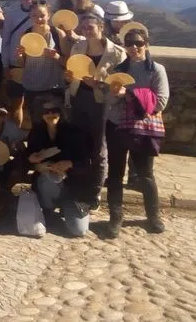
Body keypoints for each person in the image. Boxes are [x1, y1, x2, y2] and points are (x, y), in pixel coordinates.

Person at [104, 28, 169, 237]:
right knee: (115, 173)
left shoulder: (156, 70)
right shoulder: (118, 70)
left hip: (143, 128)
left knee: (146, 174)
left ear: (146, 44)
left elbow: (160, 102)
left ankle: (153, 216)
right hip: (117, 126)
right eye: (129, 43)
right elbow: (110, 101)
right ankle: (115, 217)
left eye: (138, 43)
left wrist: (129, 94)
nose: (134, 47)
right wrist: (115, 94)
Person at [66, 14, 126, 208]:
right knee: (79, 144)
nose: (86, 30)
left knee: (99, 149)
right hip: (78, 99)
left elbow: (119, 85)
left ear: (101, 28)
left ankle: (95, 193)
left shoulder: (116, 53)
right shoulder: (77, 48)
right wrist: (68, 76)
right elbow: (72, 75)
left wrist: (97, 85)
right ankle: (77, 186)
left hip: (101, 103)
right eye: (83, 27)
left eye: (90, 27)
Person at [26, 96, 95, 237]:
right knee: (47, 181)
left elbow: (88, 165)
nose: (50, 115)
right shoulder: (36, 133)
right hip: (48, 185)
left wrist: (70, 164)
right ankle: (48, 211)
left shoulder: (75, 133)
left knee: (79, 230)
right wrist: (34, 163)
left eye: (54, 111)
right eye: (46, 111)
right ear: (41, 114)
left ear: (61, 112)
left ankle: (68, 210)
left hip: (73, 188)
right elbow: (25, 158)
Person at [12, 1, 65, 126]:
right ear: (30, 16)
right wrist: (19, 56)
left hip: (54, 88)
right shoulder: (25, 35)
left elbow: (67, 62)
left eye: (42, 15)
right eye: (35, 15)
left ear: (49, 15)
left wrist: (56, 56)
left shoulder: (57, 34)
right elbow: (22, 63)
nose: (39, 19)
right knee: (37, 124)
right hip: (32, 87)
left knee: (55, 125)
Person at [0, 0, 40, 126]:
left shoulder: (43, 13)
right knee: (16, 105)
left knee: (36, 105)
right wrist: (5, 66)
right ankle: (16, 139)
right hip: (15, 64)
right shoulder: (11, 13)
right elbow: (5, 41)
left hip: (36, 65)